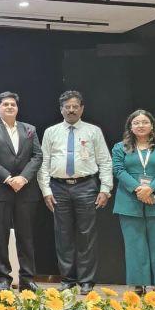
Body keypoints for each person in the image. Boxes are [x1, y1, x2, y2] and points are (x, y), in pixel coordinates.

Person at [38, 91, 113, 295]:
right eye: (67, 107)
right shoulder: (51, 132)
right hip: (58, 187)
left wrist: (105, 189)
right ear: (61, 109)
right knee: (62, 235)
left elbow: (105, 161)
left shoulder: (93, 131)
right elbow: (43, 163)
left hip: (86, 185)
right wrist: (46, 190)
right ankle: (68, 280)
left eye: (75, 106)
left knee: (86, 235)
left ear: (82, 108)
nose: (71, 110)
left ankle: (86, 281)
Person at [0, 92, 43, 291]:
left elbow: (37, 156)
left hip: (25, 189)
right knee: (0, 236)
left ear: (17, 108)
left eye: (12, 104)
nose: (9, 107)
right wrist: (8, 178)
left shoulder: (29, 129)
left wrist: (23, 178)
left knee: (26, 236)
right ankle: (3, 280)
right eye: (5, 104)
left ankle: (27, 279)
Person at [111, 110, 155, 293]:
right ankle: (138, 284)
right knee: (134, 244)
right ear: (130, 127)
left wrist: (151, 188)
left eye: (144, 122)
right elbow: (118, 170)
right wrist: (138, 189)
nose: (140, 125)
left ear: (152, 125)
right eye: (136, 123)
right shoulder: (120, 147)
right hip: (129, 200)